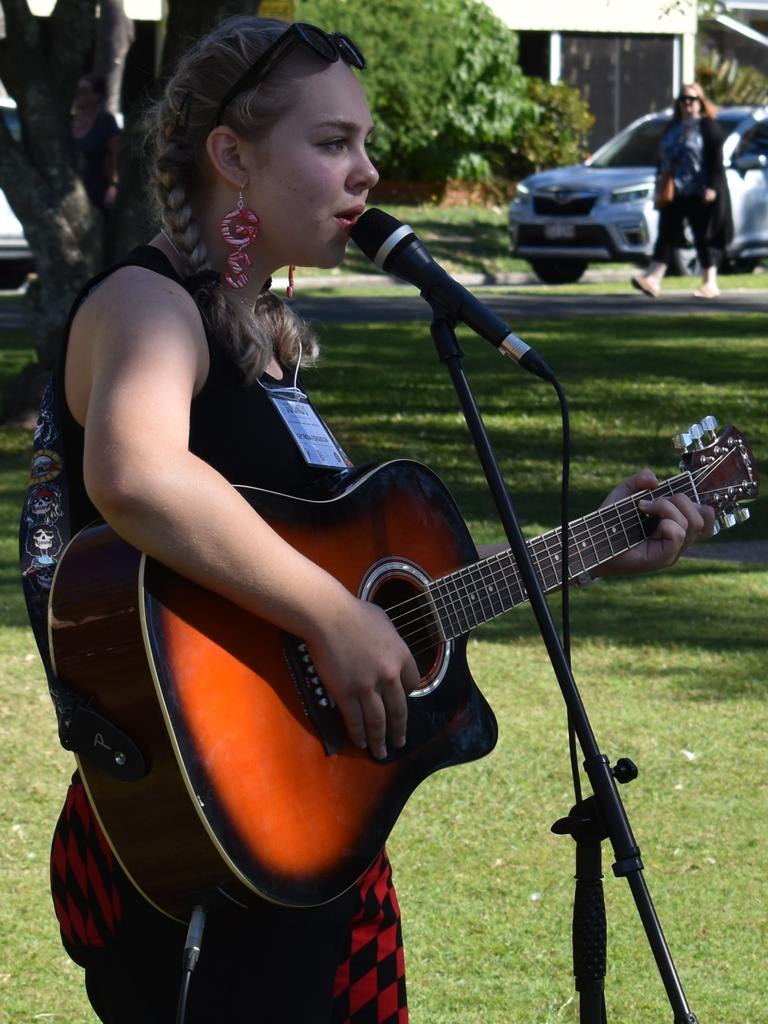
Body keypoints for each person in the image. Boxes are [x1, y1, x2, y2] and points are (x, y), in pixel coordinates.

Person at [20, 16, 714, 1024]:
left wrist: (595, 543)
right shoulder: (147, 303)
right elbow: (133, 472)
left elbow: (374, 584)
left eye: (365, 144)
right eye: (333, 142)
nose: (367, 172)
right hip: (192, 834)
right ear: (232, 156)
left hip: (305, 833)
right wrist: (332, 618)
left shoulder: (265, 346)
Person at [632, 82, 732, 300]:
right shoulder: (673, 126)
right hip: (674, 191)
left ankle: (710, 282)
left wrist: (712, 187)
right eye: (684, 99)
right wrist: (660, 181)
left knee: (703, 236)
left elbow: (716, 160)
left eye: (692, 99)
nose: (688, 103)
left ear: (700, 102)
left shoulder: (708, 126)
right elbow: (663, 157)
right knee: (666, 233)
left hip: (700, 191)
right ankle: (653, 279)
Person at [72, 73, 121, 212]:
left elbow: (116, 157)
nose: (78, 95)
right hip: (72, 189)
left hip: (98, 193)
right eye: (78, 90)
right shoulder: (68, 122)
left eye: (84, 91)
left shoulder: (106, 122)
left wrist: (113, 187)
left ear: (97, 95)